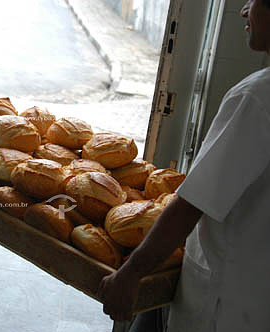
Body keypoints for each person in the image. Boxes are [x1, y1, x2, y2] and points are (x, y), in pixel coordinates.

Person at [98, 0, 270, 330]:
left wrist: (132, 272)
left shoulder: (255, 98)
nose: (244, 11)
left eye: (255, 2)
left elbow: (192, 204)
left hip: (225, 301)